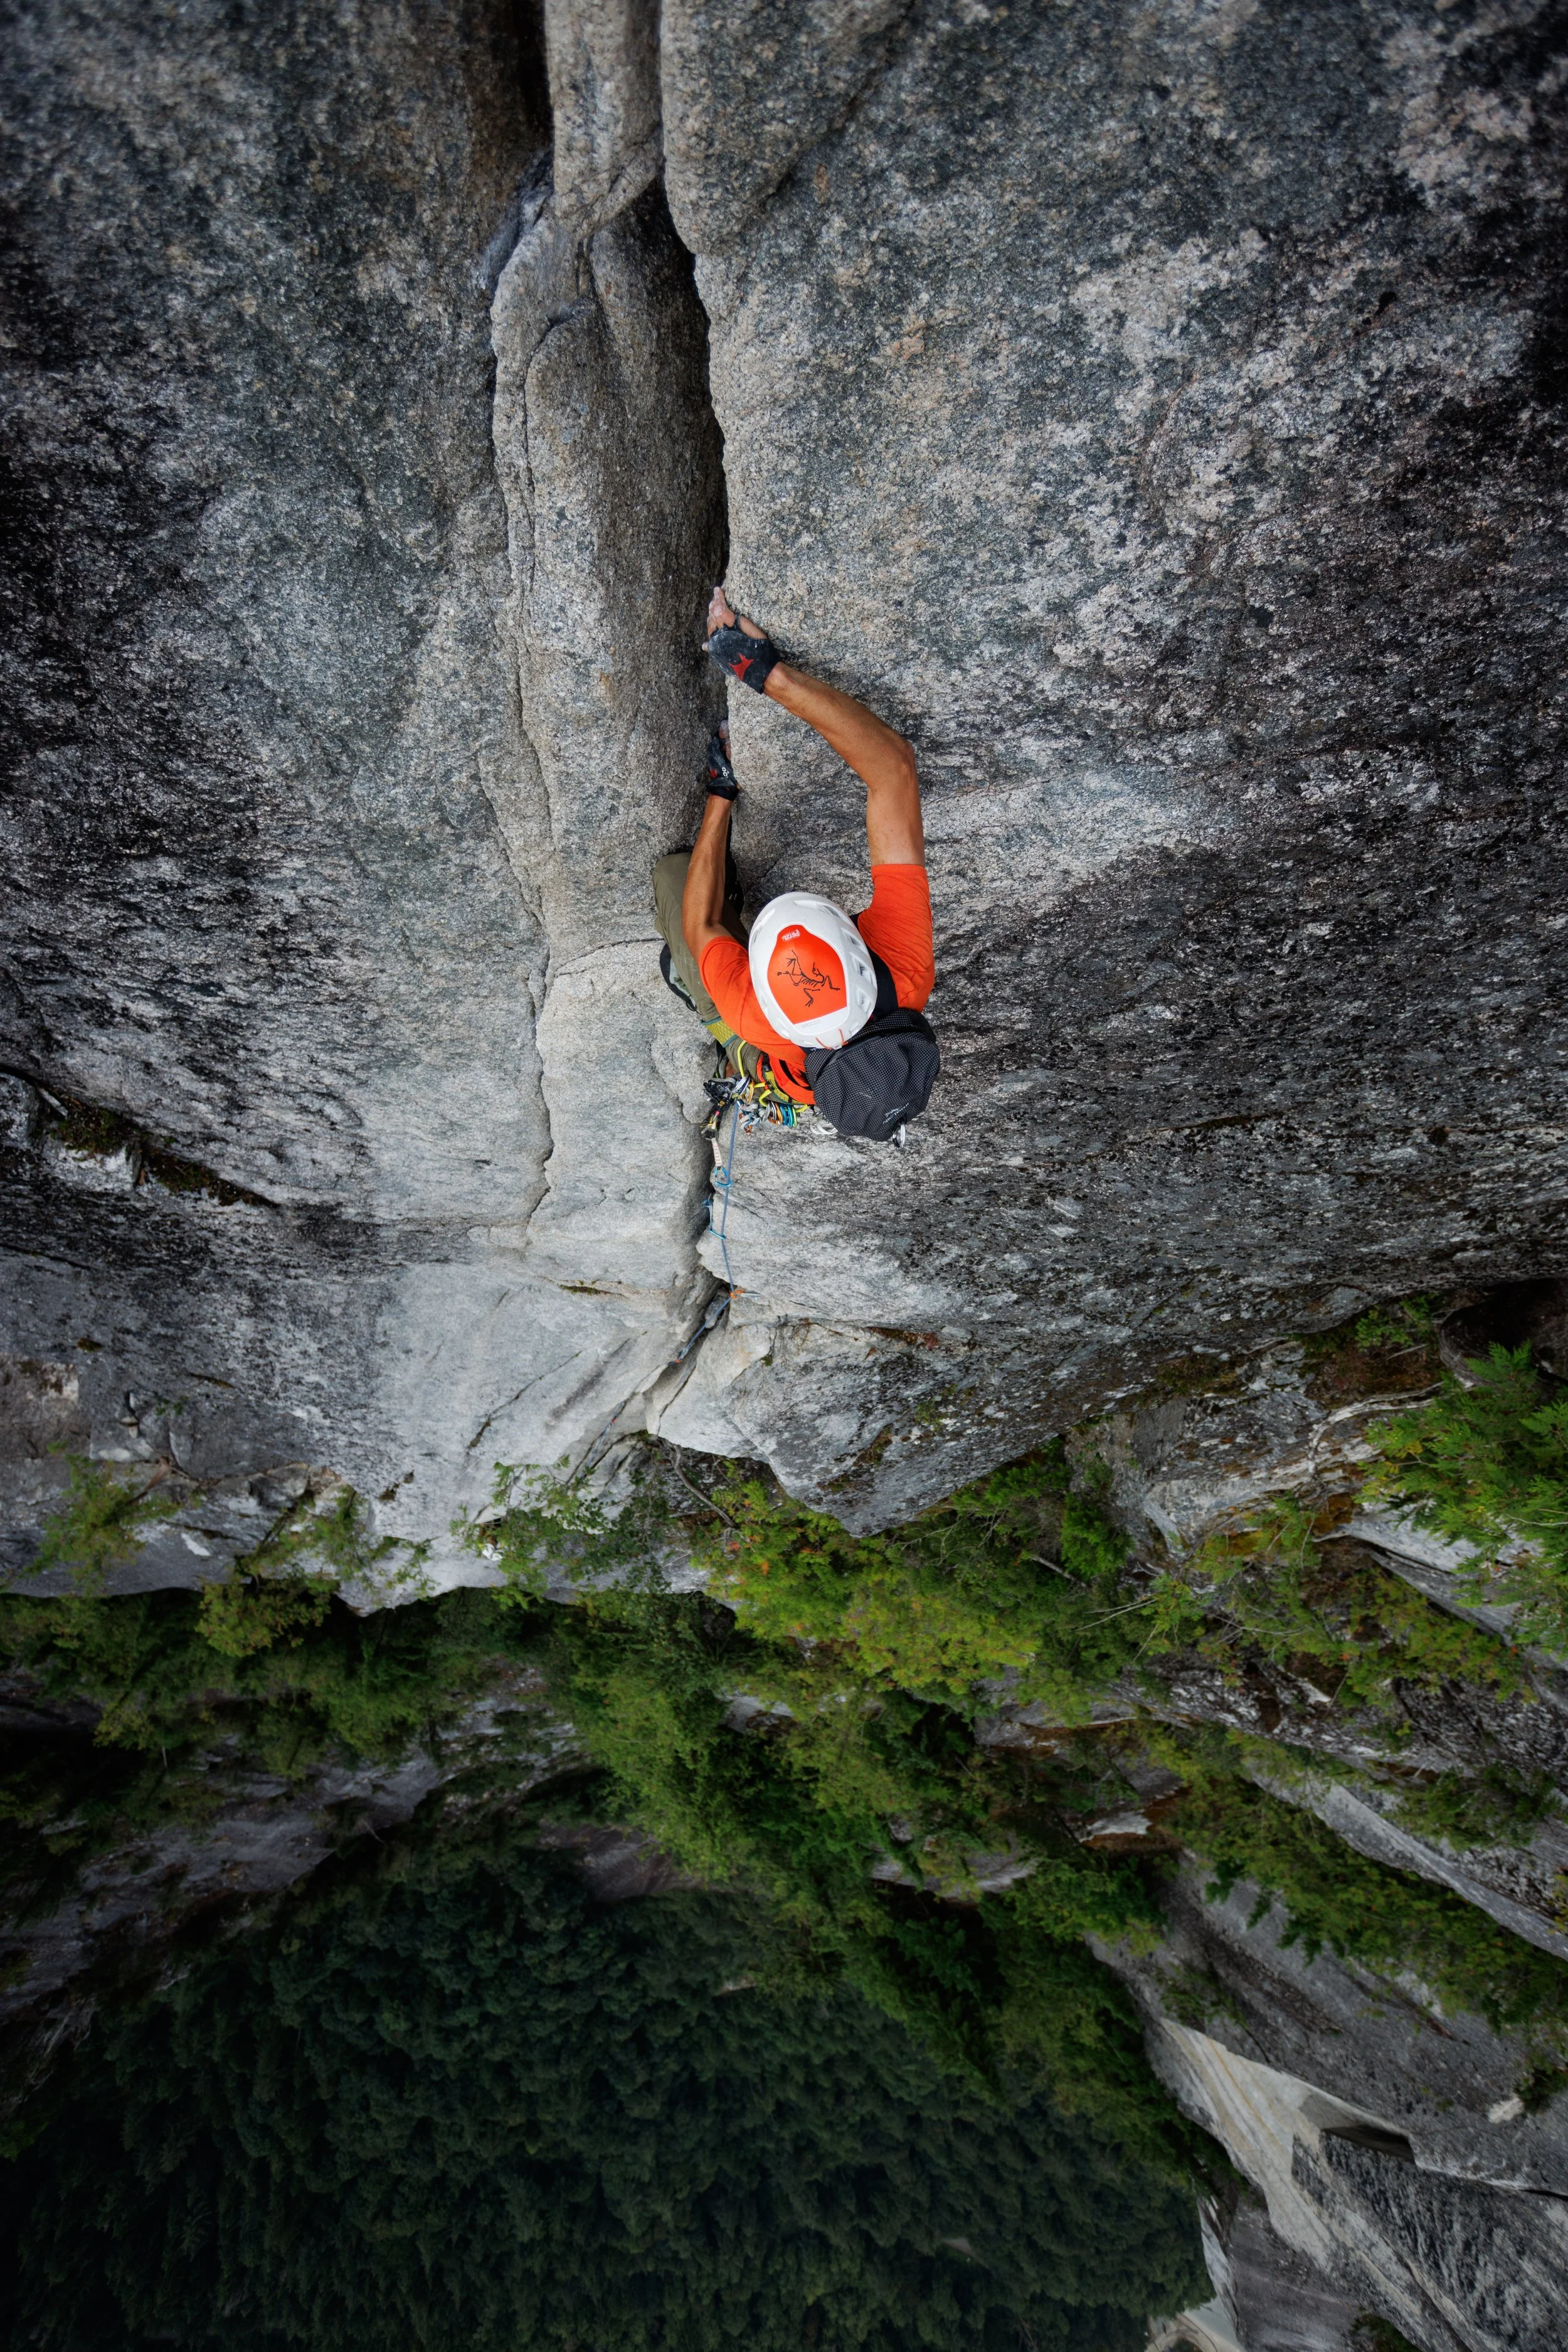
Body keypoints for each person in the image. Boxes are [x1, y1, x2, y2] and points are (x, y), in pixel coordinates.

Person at [652, 587, 938, 1141]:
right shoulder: (903, 969)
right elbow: (893, 770)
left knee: (675, 879)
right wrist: (766, 672)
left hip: (759, 1051)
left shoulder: (754, 1017)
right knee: (699, 914)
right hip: (794, 1043)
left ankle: (715, 1026)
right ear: (860, 952)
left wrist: (721, 793)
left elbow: (700, 925)